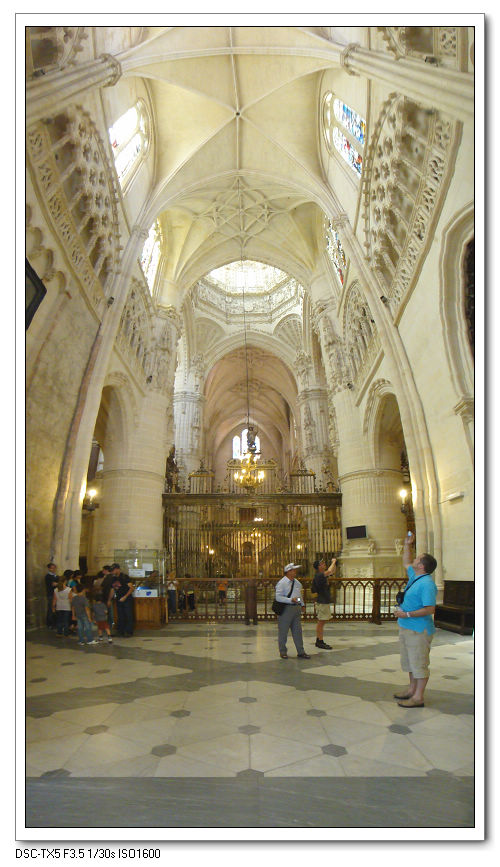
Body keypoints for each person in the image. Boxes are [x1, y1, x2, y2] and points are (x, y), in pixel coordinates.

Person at [393, 531, 438, 708]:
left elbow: (430, 609)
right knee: (410, 661)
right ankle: (412, 690)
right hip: (407, 626)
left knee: (419, 662)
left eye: (417, 558)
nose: (414, 559)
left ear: (421, 566)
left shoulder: (427, 584)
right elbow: (406, 562)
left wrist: (407, 614)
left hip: (419, 629)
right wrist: (407, 545)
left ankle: (418, 697)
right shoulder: (415, 577)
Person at [274, 563, 310, 659]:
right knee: (283, 632)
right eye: (293, 570)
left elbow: (298, 595)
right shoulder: (282, 583)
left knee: (298, 631)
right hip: (286, 609)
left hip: (296, 609)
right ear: (288, 572)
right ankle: (283, 652)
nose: (295, 572)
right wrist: (290, 600)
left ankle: (301, 651)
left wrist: (302, 604)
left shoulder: (296, 582)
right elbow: (278, 597)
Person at [312, 557, 337, 649]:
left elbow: (332, 571)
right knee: (321, 622)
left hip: (324, 600)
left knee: (322, 621)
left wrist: (334, 564)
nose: (324, 564)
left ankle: (319, 640)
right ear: (319, 567)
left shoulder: (323, 575)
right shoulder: (319, 575)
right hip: (321, 601)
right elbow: (330, 571)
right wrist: (333, 562)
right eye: (322, 564)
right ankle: (319, 641)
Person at [107, 565, 135, 637]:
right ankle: (120, 631)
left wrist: (125, 596)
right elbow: (112, 590)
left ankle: (128, 632)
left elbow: (131, 588)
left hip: (127, 599)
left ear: (117, 569)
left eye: (113, 570)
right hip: (118, 598)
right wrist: (109, 600)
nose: (112, 572)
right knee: (120, 616)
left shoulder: (124, 577)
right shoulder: (113, 579)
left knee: (128, 615)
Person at [44, 563, 58, 629]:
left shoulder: (56, 576)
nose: (54, 569)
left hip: (57, 594)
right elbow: (53, 584)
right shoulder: (48, 576)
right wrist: (58, 583)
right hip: (51, 594)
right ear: (49, 568)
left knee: (56, 609)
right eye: (52, 568)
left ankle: (55, 622)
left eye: (54, 568)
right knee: (51, 608)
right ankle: (50, 623)